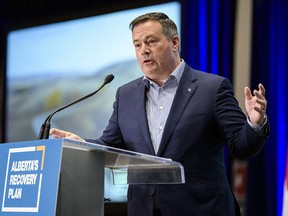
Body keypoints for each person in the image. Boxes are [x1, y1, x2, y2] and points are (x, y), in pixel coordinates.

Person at [50, 12, 269, 216]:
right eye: (137, 45)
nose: (143, 50)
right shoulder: (125, 94)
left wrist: (254, 123)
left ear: (174, 42)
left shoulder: (212, 88)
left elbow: (242, 146)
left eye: (151, 42)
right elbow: (110, 144)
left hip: (201, 209)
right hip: (144, 208)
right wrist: (82, 144)